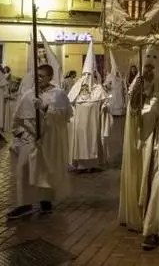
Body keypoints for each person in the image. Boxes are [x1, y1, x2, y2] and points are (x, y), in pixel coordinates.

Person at [118, 46, 159, 250]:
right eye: (148, 60)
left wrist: (154, 106)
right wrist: (139, 87)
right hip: (145, 144)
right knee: (145, 181)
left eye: (155, 59)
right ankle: (146, 219)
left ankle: (153, 229)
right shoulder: (141, 82)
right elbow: (134, 112)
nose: (151, 64)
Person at [7, 64, 72, 219]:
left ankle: (45, 200)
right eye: (37, 76)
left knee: (45, 171)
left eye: (42, 76)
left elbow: (65, 117)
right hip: (30, 138)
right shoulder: (29, 94)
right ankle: (24, 204)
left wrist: (45, 108)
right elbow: (17, 117)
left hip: (49, 139)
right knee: (24, 168)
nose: (39, 79)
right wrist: (20, 132)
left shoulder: (58, 95)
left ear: (50, 77)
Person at [68, 40, 112, 172]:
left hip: (93, 122)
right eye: (85, 75)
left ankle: (92, 164)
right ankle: (81, 165)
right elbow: (69, 102)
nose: (87, 78)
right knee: (80, 142)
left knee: (92, 141)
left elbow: (105, 102)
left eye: (89, 75)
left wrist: (105, 106)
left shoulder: (98, 89)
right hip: (79, 123)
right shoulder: (76, 88)